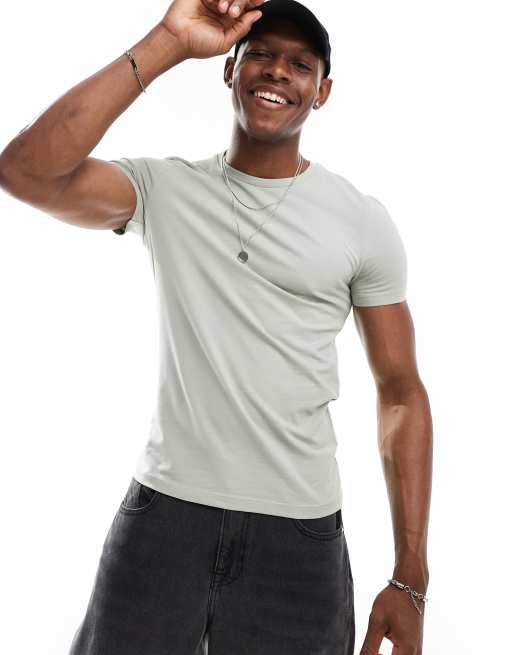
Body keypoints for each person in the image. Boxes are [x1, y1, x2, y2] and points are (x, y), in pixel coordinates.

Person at [0, 0, 433, 653]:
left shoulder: (361, 222)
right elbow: (24, 171)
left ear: (322, 92)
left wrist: (410, 576)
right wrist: (170, 39)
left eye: (301, 64)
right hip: (164, 518)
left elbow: (400, 391)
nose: (278, 71)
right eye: (261, 54)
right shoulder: (164, 191)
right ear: (229, 69)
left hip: (299, 535)